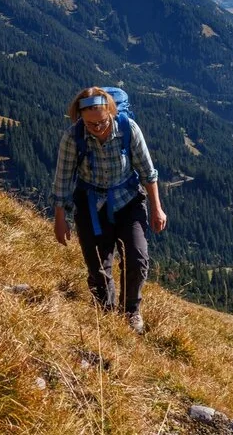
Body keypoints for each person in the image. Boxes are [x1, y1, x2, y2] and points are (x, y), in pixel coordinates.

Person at [51, 87, 167, 333]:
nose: (97, 128)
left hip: (128, 201)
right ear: (80, 117)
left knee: (136, 258)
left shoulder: (128, 129)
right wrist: (60, 218)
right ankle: (105, 314)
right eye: (90, 124)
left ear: (112, 112)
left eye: (102, 121)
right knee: (98, 267)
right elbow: (62, 179)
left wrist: (157, 208)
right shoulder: (73, 137)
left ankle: (131, 312)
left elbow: (148, 172)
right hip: (90, 205)